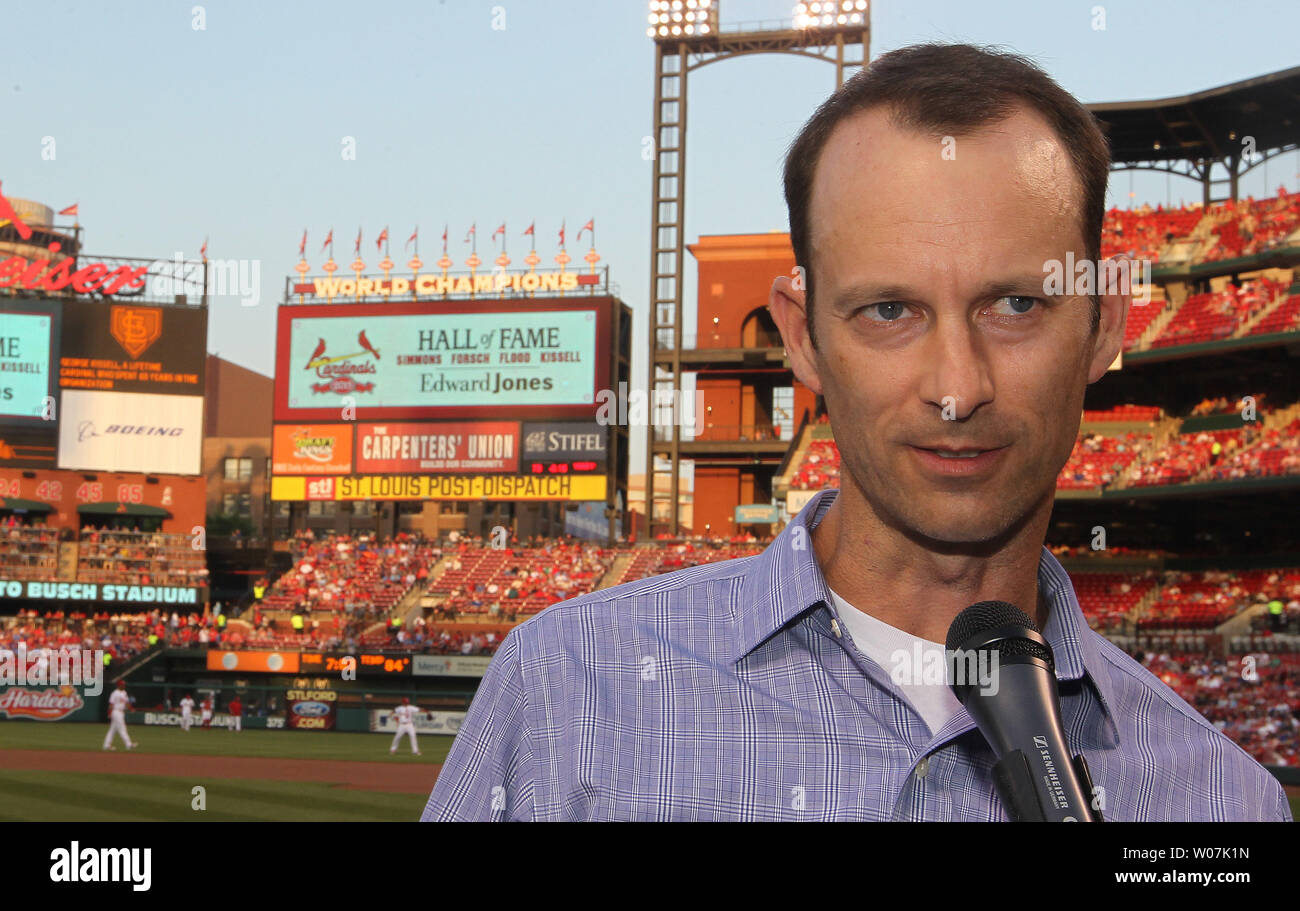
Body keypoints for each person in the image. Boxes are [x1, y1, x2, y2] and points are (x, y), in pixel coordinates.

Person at [422, 43, 1291, 823]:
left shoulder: (1224, 804)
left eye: (1016, 304)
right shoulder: (568, 691)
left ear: (1104, 323)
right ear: (801, 335)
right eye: (888, 310)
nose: (958, 389)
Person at [102, 680, 136, 751]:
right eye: (122, 685)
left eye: (124, 684)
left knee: (112, 730)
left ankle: (106, 745)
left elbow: (126, 703)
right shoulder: (114, 693)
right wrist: (109, 713)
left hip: (121, 712)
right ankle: (128, 744)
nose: (124, 686)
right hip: (116, 712)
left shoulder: (124, 693)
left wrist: (131, 708)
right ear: (119, 685)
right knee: (122, 729)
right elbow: (111, 704)